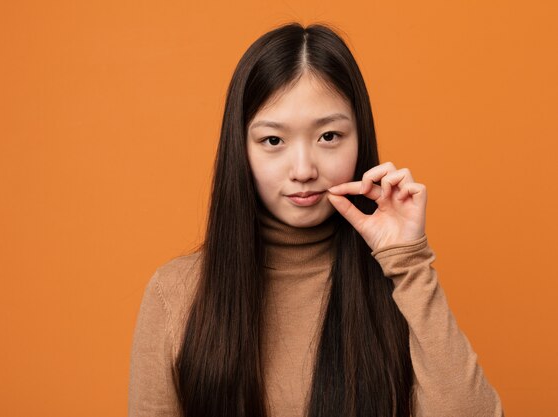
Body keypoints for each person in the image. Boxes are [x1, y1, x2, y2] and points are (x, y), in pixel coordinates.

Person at [128, 21, 505, 417]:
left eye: (328, 136)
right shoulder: (176, 294)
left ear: (360, 139)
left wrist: (409, 262)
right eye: (273, 140)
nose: (304, 169)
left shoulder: (400, 287)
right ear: (240, 149)